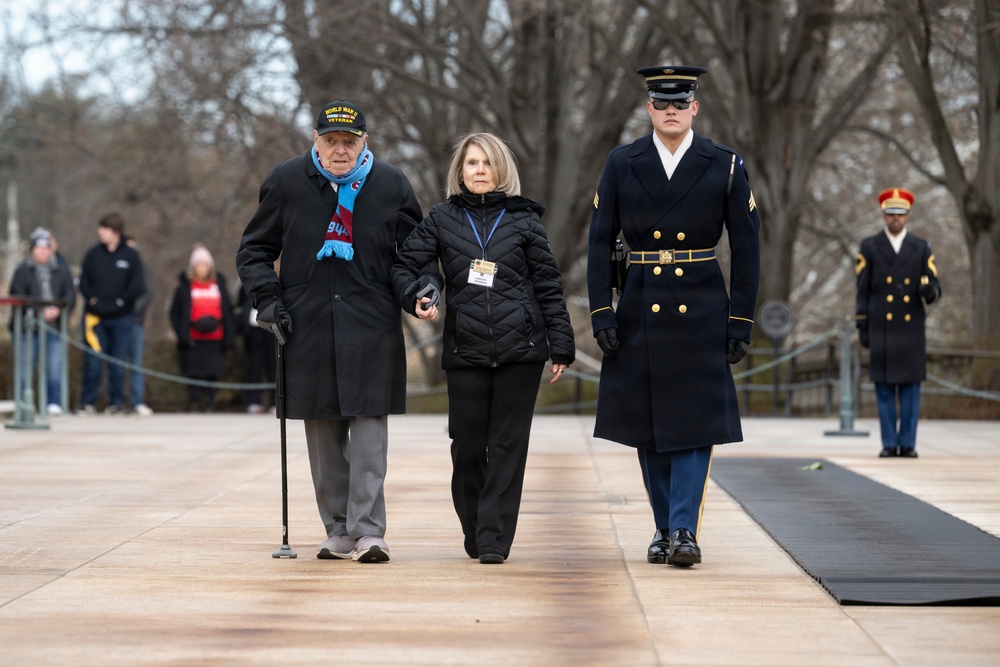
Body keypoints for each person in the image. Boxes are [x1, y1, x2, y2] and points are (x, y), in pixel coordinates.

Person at [586, 66, 761, 567]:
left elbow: (748, 249)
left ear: (694, 108)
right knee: (648, 425)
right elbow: (598, 242)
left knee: (695, 422)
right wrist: (602, 313)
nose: (670, 111)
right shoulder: (622, 163)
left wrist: (741, 321)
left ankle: (684, 528)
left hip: (702, 307)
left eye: (680, 103)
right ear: (649, 109)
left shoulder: (725, 164)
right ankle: (664, 527)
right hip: (640, 304)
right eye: (661, 103)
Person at [236, 99, 423, 563]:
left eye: (349, 142)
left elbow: (414, 256)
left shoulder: (391, 184)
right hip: (308, 325)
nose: (340, 150)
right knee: (322, 433)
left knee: (369, 430)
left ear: (365, 143)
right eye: (331, 140)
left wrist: (421, 290)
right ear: (315, 141)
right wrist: (268, 301)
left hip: (372, 325)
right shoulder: (286, 181)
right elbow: (254, 251)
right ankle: (337, 529)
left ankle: (368, 531)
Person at [391, 132, 576, 564]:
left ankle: (494, 537)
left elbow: (549, 286)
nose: (479, 170)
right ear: (460, 171)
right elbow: (405, 264)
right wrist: (419, 293)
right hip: (466, 350)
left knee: (508, 445)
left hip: (521, 349)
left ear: (501, 170)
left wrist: (562, 345)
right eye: (471, 163)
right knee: (468, 446)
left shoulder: (525, 220)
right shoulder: (442, 218)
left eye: (487, 163)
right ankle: (475, 527)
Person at [856, 187, 941, 458]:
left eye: (900, 213)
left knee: (910, 388)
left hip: (910, 326)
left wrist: (929, 291)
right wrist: (862, 324)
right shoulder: (869, 247)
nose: (896, 218)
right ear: (884, 215)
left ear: (908, 215)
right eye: (891, 213)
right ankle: (889, 444)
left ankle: (908, 443)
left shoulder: (921, 247)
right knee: (883, 388)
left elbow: (935, 285)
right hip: (881, 325)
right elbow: (862, 290)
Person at [77, 212, 146, 415]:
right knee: (93, 361)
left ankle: (115, 402)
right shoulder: (93, 254)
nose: (100, 232)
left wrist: (121, 302)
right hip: (95, 318)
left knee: (117, 362)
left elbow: (137, 285)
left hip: (122, 318)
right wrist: (92, 299)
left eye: (105, 229)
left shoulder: (130, 255)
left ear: (115, 231)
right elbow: (83, 281)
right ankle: (87, 402)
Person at [9, 229, 76, 416]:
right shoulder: (23, 270)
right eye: (39, 248)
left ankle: (53, 403)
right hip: (27, 329)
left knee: (54, 367)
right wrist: (38, 312)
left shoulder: (61, 269)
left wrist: (58, 310)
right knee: (25, 368)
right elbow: (18, 296)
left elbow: (69, 295)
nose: (43, 252)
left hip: (54, 327)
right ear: (32, 250)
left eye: (46, 248)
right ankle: (23, 404)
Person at [169, 244, 236, 413]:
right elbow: (175, 313)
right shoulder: (184, 288)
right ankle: (194, 402)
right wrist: (182, 335)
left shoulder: (219, 285)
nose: (202, 268)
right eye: (199, 265)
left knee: (212, 372)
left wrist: (229, 337)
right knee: (194, 372)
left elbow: (228, 311)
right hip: (193, 338)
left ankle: (211, 402)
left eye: (205, 265)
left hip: (215, 337)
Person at [125, 236, 154, 416]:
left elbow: (147, 293)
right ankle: (116, 402)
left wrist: (131, 309)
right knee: (116, 363)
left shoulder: (142, 269)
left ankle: (137, 401)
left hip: (135, 321)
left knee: (136, 363)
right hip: (117, 320)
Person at [236, 284, 276, 413]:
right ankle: (253, 401)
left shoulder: (276, 280)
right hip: (253, 330)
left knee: (274, 366)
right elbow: (240, 301)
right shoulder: (248, 280)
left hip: (273, 329)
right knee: (253, 366)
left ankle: (276, 402)